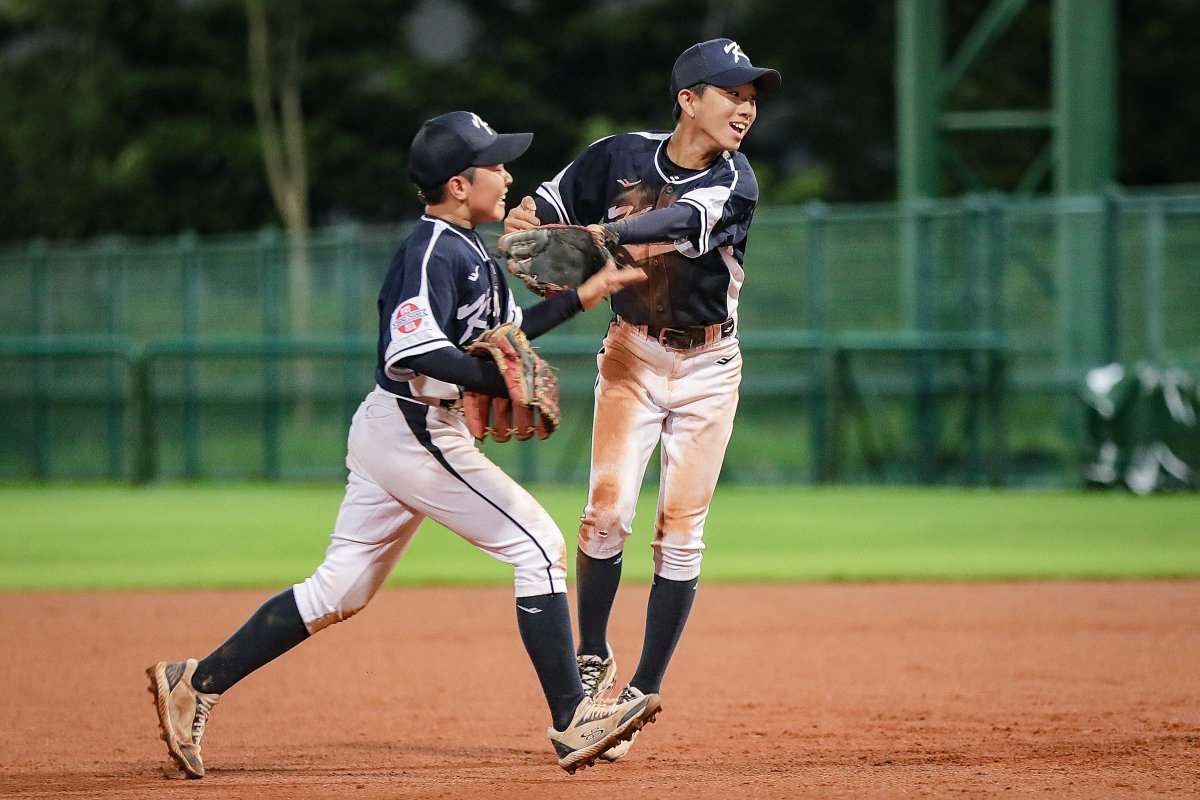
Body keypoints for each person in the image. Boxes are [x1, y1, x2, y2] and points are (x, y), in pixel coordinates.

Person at [146, 110, 656, 779]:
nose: (506, 174)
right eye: (493, 165)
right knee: (538, 544)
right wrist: (489, 377)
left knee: (340, 591)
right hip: (417, 430)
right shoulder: (429, 253)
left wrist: (584, 295)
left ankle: (194, 682)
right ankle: (571, 718)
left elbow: (506, 337)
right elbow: (413, 350)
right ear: (456, 183)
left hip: (397, 429)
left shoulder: (470, 248)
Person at [504, 38, 781, 761]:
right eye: (732, 93)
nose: (746, 108)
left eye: (753, 97)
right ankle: (594, 656)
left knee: (680, 532)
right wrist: (527, 219)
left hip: (710, 369)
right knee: (606, 513)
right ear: (689, 100)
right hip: (632, 355)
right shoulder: (617, 155)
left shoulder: (736, 182)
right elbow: (548, 202)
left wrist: (592, 238)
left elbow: (671, 226)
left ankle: (641, 691)